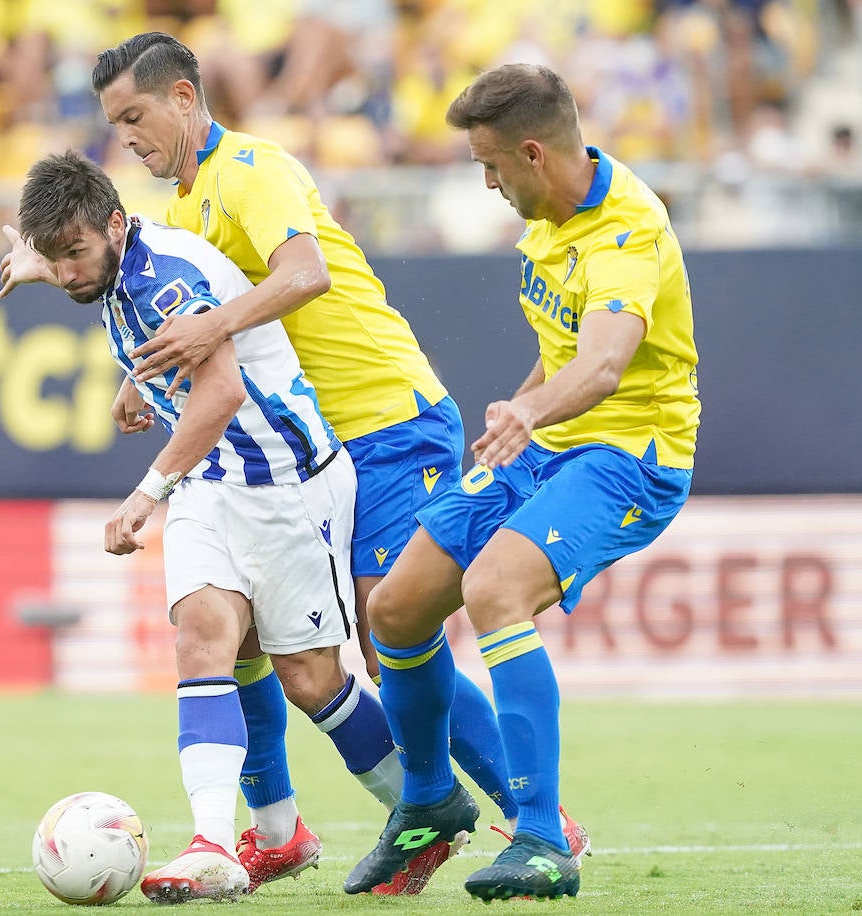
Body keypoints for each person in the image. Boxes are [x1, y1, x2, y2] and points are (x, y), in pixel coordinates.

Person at [82, 31, 591, 893]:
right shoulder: (185, 211)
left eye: (134, 115)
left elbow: (306, 273)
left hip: (387, 418)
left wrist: (210, 329)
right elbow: (199, 324)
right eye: (114, 123)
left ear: (182, 98)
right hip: (310, 454)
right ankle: (290, 829)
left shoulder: (252, 170)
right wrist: (146, 375)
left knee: (393, 631)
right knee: (254, 632)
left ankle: (537, 816)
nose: (125, 137)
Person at [343, 63, 700, 901]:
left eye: (491, 166)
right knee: (394, 609)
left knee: (495, 588)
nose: (489, 183)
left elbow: (604, 364)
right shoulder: (549, 216)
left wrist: (529, 413)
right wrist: (523, 417)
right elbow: (562, 349)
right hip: (549, 444)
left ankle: (543, 838)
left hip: (631, 455)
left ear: (533, 153)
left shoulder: (625, 228)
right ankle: (430, 804)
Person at [7, 150, 397, 904]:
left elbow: (220, 393)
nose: (68, 272)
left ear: (114, 224)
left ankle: (425, 807)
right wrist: (49, 271)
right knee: (203, 641)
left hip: (284, 483)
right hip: (213, 483)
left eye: (74, 253)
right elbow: (100, 281)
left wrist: (145, 494)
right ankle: (216, 844)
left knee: (312, 680)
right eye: (55, 258)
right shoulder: (112, 264)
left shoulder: (165, 281)